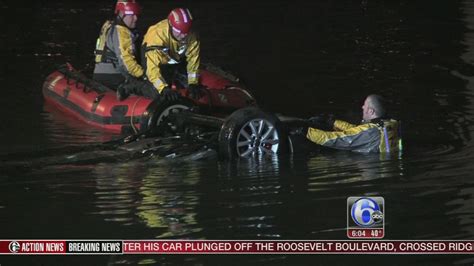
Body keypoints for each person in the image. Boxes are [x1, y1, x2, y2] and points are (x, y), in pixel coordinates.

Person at [93, 0, 152, 100]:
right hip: (114, 76)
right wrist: (145, 76)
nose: (136, 18)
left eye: (137, 15)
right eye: (132, 15)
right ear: (122, 15)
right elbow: (126, 62)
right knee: (149, 90)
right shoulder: (122, 32)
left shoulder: (109, 24)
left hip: (99, 73)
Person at [141, 8, 202, 101]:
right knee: (156, 91)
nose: (183, 36)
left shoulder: (191, 36)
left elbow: (193, 61)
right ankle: (133, 86)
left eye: (186, 33)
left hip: (174, 58)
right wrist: (163, 88)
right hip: (154, 59)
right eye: (179, 32)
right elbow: (152, 69)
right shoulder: (156, 36)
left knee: (192, 88)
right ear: (170, 26)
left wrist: (193, 83)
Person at [306, 94, 401, 153]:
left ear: (371, 111)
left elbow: (337, 139)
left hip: (373, 163)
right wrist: (333, 122)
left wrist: (306, 132)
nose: (362, 107)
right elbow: (357, 130)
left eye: (365, 105)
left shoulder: (371, 131)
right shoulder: (389, 124)